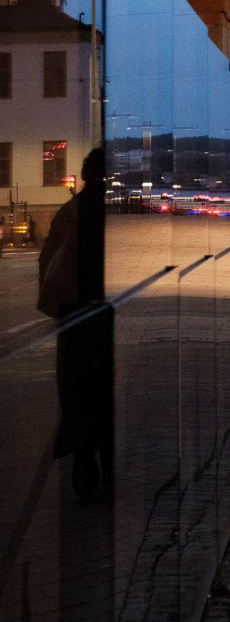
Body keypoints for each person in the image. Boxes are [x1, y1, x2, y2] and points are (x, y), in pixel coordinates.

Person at [38, 148, 112, 502]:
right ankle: (103, 455)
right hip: (105, 312)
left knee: (75, 385)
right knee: (103, 385)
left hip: (74, 312)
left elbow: (48, 259)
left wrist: (57, 307)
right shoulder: (115, 211)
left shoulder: (71, 211)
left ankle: (82, 454)